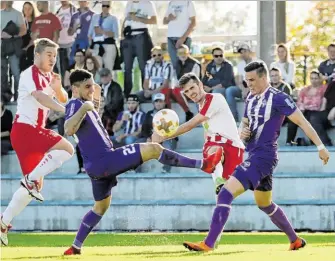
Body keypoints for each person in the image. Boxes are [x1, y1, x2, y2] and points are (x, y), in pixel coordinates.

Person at [62, 69, 222, 255]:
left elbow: (88, 118)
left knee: (100, 207)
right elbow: (68, 129)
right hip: (104, 160)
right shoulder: (75, 104)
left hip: (97, 166)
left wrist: (92, 96)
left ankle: (75, 247)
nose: (91, 89)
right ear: (74, 88)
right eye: (86, 87)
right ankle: (204, 165)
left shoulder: (85, 104)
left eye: (92, 85)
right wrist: (85, 106)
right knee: (153, 148)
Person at [182, 61, 330, 252]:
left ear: (264, 77)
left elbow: (302, 121)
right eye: (246, 80)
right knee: (265, 204)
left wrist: (320, 147)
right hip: (254, 155)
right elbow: (245, 123)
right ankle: (295, 240)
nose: (249, 84)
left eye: (252, 80)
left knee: (226, 193)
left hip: (264, 157)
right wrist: (243, 132)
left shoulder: (279, 98)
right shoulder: (251, 97)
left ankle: (208, 244)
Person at [0, 38, 74, 246]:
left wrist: (58, 88)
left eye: (55, 55)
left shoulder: (49, 76)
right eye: (49, 55)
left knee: (33, 186)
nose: (53, 59)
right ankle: (30, 178)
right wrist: (62, 108)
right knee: (67, 149)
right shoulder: (28, 74)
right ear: (37, 55)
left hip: (30, 133)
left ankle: (3, 222)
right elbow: (41, 97)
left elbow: (63, 98)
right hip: (26, 130)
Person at [152, 72, 245, 195]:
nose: (191, 93)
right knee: (223, 198)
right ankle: (218, 181)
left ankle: (207, 169)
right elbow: (207, 131)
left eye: (192, 88)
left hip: (233, 149)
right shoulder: (201, 106)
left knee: (214, 147)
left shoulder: (215, 98)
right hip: (219, 151)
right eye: (186, 91)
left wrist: (164, 135)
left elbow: (191, 124)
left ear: (200, 85)